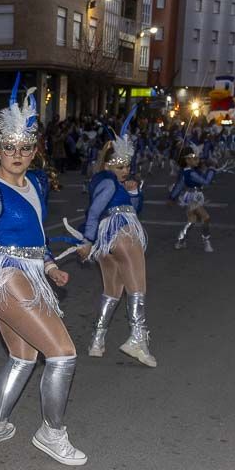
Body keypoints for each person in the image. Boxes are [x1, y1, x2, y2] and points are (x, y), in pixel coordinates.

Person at [0, 79, 87, 466]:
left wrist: (49, 266)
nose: (17, 154)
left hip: (31, 272)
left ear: (34, 151)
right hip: (4, 276)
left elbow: (37, 234)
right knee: (63, 355)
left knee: (24, 358)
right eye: (10, 147)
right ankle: (52, 433)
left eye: (25, 147)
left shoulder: (37, 183)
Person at [77, 112, 153, 367]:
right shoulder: (107, 180)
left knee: (113, 291)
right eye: (119, 165)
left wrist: (134, 193)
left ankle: (97, 341)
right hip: (121, 232)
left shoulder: (108, 181)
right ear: (108, 164)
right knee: (138, 287)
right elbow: (96, 210)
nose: (125, 170)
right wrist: (86, 240)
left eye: (127, 165)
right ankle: (137, 339)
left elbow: (131, 206)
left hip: (107, 240)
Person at [169, 147, 217, 251]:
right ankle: (206, 242)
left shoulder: (188, 171)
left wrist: (172, 197)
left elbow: (179, 186)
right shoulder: (190, 173)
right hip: (193, 198)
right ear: (187, 160)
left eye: (197, 158)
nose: (198, 160)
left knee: (192, 221)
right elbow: (205, 181)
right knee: (206, 217)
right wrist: (212, 170)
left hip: (195, 196)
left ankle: (180, 240)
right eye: (194, 159)